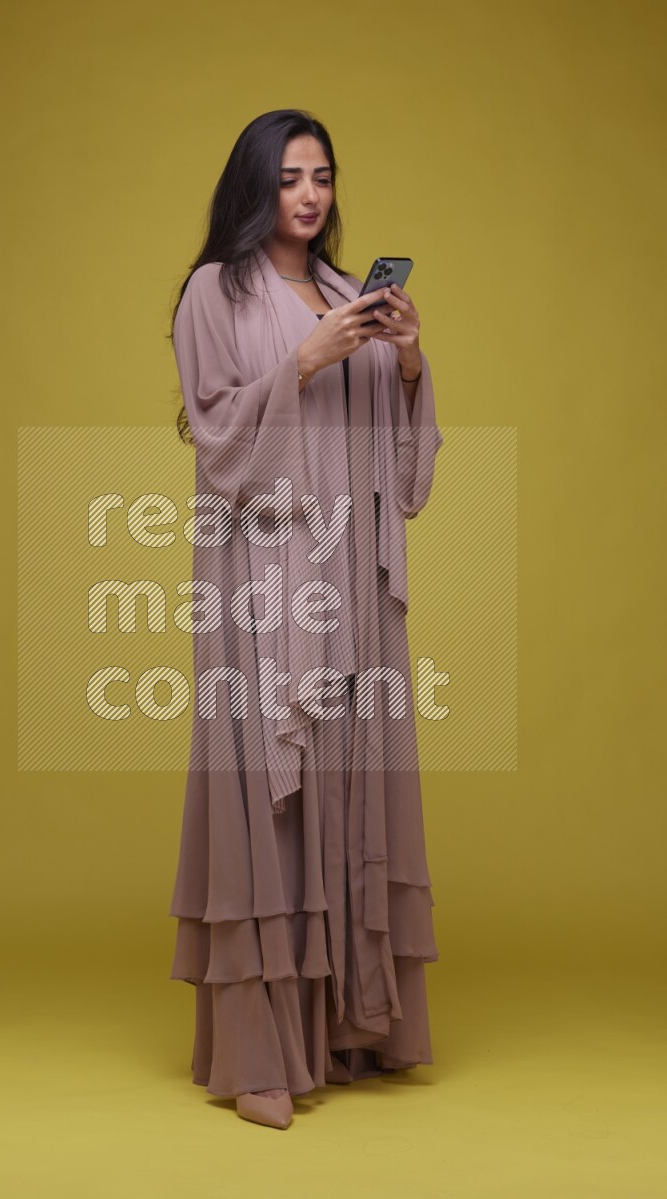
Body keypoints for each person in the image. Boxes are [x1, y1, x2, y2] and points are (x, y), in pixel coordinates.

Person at [166, 109, 444, 1130]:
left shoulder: (342, 290)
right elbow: (214, 435)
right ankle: (255, 1056)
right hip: (260, 573)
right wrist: (303, 363)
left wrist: (405, 360)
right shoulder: (215, 291)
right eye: (288, 177)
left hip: (347, 581)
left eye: (321, 175)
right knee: (264, 795)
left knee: (345, 776)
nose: (309, 195)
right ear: (254, 186)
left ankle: (340, 1022)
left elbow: (398, 466)